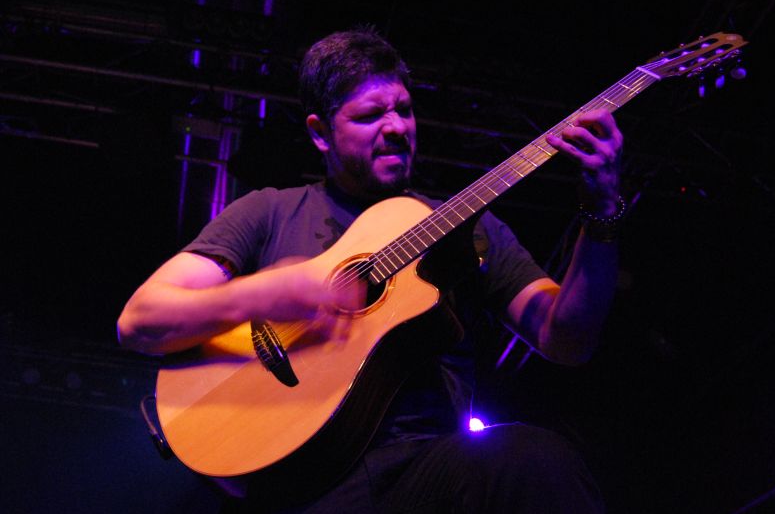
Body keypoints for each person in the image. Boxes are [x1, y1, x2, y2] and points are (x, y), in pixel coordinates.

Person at [117, 26, 624, 513]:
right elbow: (139, 321)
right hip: (302, 482)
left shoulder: (471, 227)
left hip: (427, 470)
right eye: (370, 116)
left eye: (404, 110)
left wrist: (601, 213)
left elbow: (567, 339)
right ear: (320, 133)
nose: (396, 127)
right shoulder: (270, 211)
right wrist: (267, 294)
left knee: (536, 459)